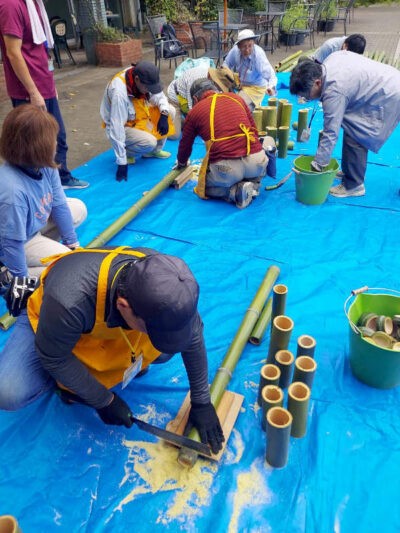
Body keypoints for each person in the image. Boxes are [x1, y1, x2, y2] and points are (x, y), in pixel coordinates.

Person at [0, 246, 225, 455]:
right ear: (123, 306)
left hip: (103, 330)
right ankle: (60, 379)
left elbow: (193, 338)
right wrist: (103, 400)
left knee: (166, 350)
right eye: (153, 330)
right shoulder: (69, 301)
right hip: (52, 319)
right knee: (8, 391)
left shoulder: (169, 286)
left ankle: (87, 375)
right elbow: (55, 357)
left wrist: (202, 401)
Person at [0, 0, 89, 190]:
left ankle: (61, 179)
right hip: (29, 92)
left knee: (57, 138)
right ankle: (38, 188)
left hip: (43, 84)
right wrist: (33, 91)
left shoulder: (35, 4)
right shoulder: (11, 4)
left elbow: (40, 48)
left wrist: (50, 84)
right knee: (35, 144)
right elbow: (13, 53)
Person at [289, 54, 400, 198]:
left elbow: (330, 132)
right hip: (388, 80)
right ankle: (351, 172)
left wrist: (318, 165)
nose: (306, 98)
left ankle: (354, 185)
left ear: (317, 83)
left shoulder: (334, 91)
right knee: (351, 126)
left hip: (389, 95)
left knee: (357, 134)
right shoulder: (329, 62)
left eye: (306, 94)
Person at [0, 104, 87, 279]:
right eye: (52, 139)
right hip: (10, 243)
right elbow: (12, 242)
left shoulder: (44, 165)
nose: (56, 143)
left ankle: (42, 252)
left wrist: (72, 244)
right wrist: (21, 285)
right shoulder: (12, 191)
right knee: (66, 266)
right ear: (37, 147)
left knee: (78, 208)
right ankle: (6, 275)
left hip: (29, 229)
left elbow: (59, 203)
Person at [176, 78, 269, 209]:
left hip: (227, 170)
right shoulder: (236, 98)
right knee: (258, 164)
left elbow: (185, 145)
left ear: (195, 99)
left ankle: (235, 192)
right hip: (256, 161)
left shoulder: (194, 112)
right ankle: (254, 183)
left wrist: (181, 163)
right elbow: (254, 130)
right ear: (215, 90)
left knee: (204, 188)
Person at [100, 61, 176, 183]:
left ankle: (153, 152)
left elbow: (160, 97)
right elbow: (117, 127)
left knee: (170, 111)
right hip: (124, 125)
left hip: (139, 115)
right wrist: (122, 162)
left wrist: (164, 115)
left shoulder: (144, 78)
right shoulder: (119, 93)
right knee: (149, 142)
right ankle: (129, 153)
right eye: (147, 88)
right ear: (136, 80)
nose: (149, 91)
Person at [167, 65, 237, 138]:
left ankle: (178, 120)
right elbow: (193, 111)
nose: (218, 89)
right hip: (176, 99)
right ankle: (164, 112)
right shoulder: (195, 81)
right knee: (174, 135)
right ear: (212, 77)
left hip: (187, 103)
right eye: (219, 86)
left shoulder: (212, 82)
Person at [223, 29, 277, 111]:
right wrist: (225, 75)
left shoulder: (258, 55)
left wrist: (271, 87)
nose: (247, 50)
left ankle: (252, 105)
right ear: (239, 46)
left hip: (255, 87)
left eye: (250, 46)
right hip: (240, 82)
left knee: (238, 105)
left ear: (253, 44)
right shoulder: (235, 51)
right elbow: (226, 63)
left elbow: (271, 75)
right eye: (244, 47)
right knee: (224, 96)